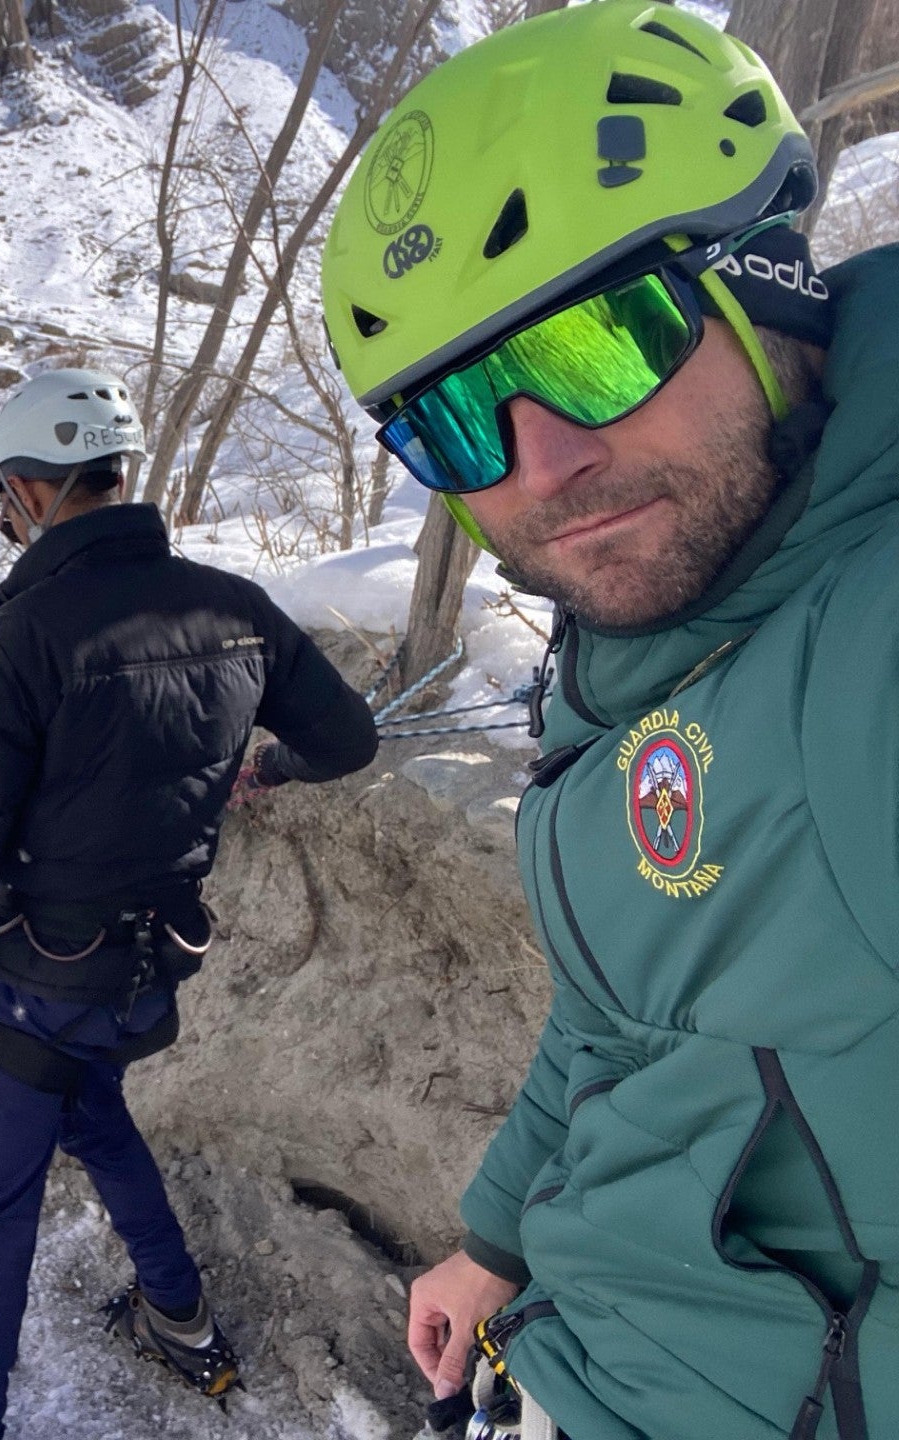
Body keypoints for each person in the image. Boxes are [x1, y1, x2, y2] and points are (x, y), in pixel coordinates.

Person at [320, 4, 894, 1437]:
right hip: (563, 1354)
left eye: (596, 345)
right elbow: (625, 1004)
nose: (543, 467)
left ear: (768, 290)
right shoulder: (643, 647)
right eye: (456, 420)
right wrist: (501, 1232)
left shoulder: (857, 639)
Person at [0, 368, 380, 1440]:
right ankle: (178, 1315)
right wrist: (263, 768)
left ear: (35, 491)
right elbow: (349, 738)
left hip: (32, 987)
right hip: (147, 977)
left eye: (6, 494)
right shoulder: (232, 609)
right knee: (93, 1112)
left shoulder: (15, 642)